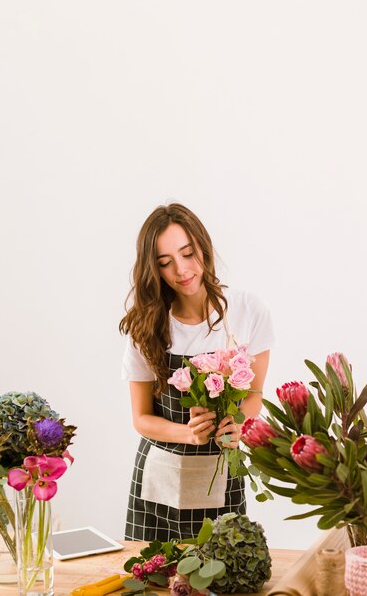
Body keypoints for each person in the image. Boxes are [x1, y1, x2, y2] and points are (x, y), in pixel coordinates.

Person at [119, 203, 274, 541]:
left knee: (223, 576)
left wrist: (238, 423)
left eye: (188, 253)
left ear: (203, 246)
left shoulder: (248, 310)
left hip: (222, 474)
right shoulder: (145, 326)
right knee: (154, 583)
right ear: (154, 270)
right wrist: (188, 434)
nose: (182, 270)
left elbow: (254, 394)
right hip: (160, 478)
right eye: (165, 263)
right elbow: (142, 417)